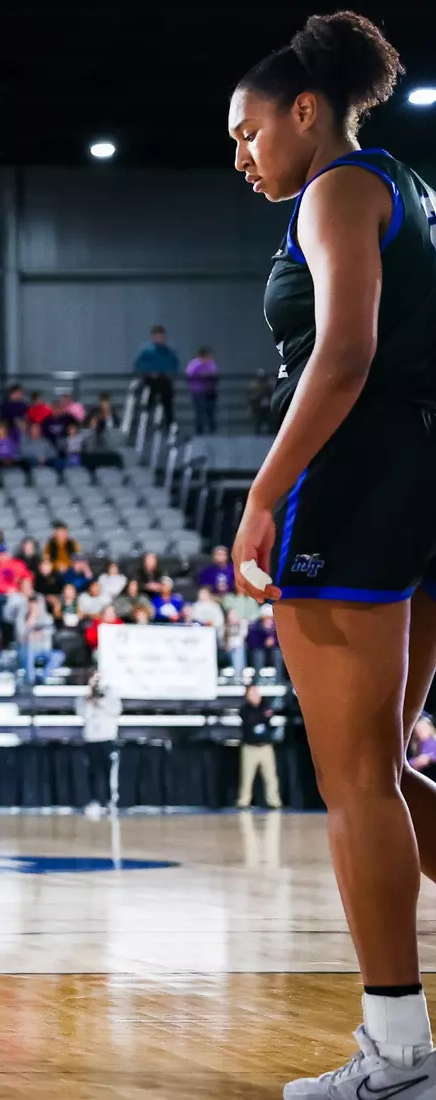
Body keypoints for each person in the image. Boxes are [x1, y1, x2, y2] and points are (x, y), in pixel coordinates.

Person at [227, 14, 436, 1095]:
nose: (242, 155)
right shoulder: (406, 180)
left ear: (304, 111)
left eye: (248, 131)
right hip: (420, 467)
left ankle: (398, 1053)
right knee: (388, 766)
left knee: (352, 774)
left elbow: (345, 351)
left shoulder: (337, 189)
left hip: (363, 476)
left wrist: (264, 493)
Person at [237, 684, 283, 810]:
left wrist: (262, 716)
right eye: (252, 693)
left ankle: (274, 801)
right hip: (250, 748)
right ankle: (244, 801)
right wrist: (261, 718)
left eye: (256, 693)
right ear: (246, 696)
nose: (255, 696)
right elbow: (251, 720)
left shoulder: (266, 706)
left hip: (265, 747)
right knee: (247, 777)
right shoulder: (244, 710)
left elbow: (268, 718)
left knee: (271, 777)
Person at [133, 324, 179, 425]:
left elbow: (174, 364)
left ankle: (169, 425)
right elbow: (138, 364)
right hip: (150, 380)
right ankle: (143, 422)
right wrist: (149, 372)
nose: (159, 339)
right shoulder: (146, 350)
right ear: (153, 337)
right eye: (157, 337)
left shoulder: (169, 351)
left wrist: (170, 374)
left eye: (161, 337)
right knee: (147, 402)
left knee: (168, 404)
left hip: (165, 381)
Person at [76, 673, 122, 743]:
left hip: (108, 736)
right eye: (94, 680)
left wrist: (102, 701)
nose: (97, 684)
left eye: (99, 680)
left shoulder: (112, 696)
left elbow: (115, 711)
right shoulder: (82, 698)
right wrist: (90, 701)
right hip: (91, 737)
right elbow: (85, 715)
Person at [186, 346, 220, 435]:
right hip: (198, 392)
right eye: (208, 356)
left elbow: (214, 375)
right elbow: (189, 375)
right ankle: (199, 431)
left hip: (209, 391)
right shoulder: (194, 364)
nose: (210, 358)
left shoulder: (211, 364)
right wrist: (201, 376)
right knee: (199, 411)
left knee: (211, 411)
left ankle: (212, 430)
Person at [411, 715, 436, 781]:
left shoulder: (433, 740)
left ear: (429, 727)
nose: (421, 731)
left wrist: (429, 758)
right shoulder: (417, 746)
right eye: (419, 729)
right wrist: (414, 762)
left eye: (424, 728)